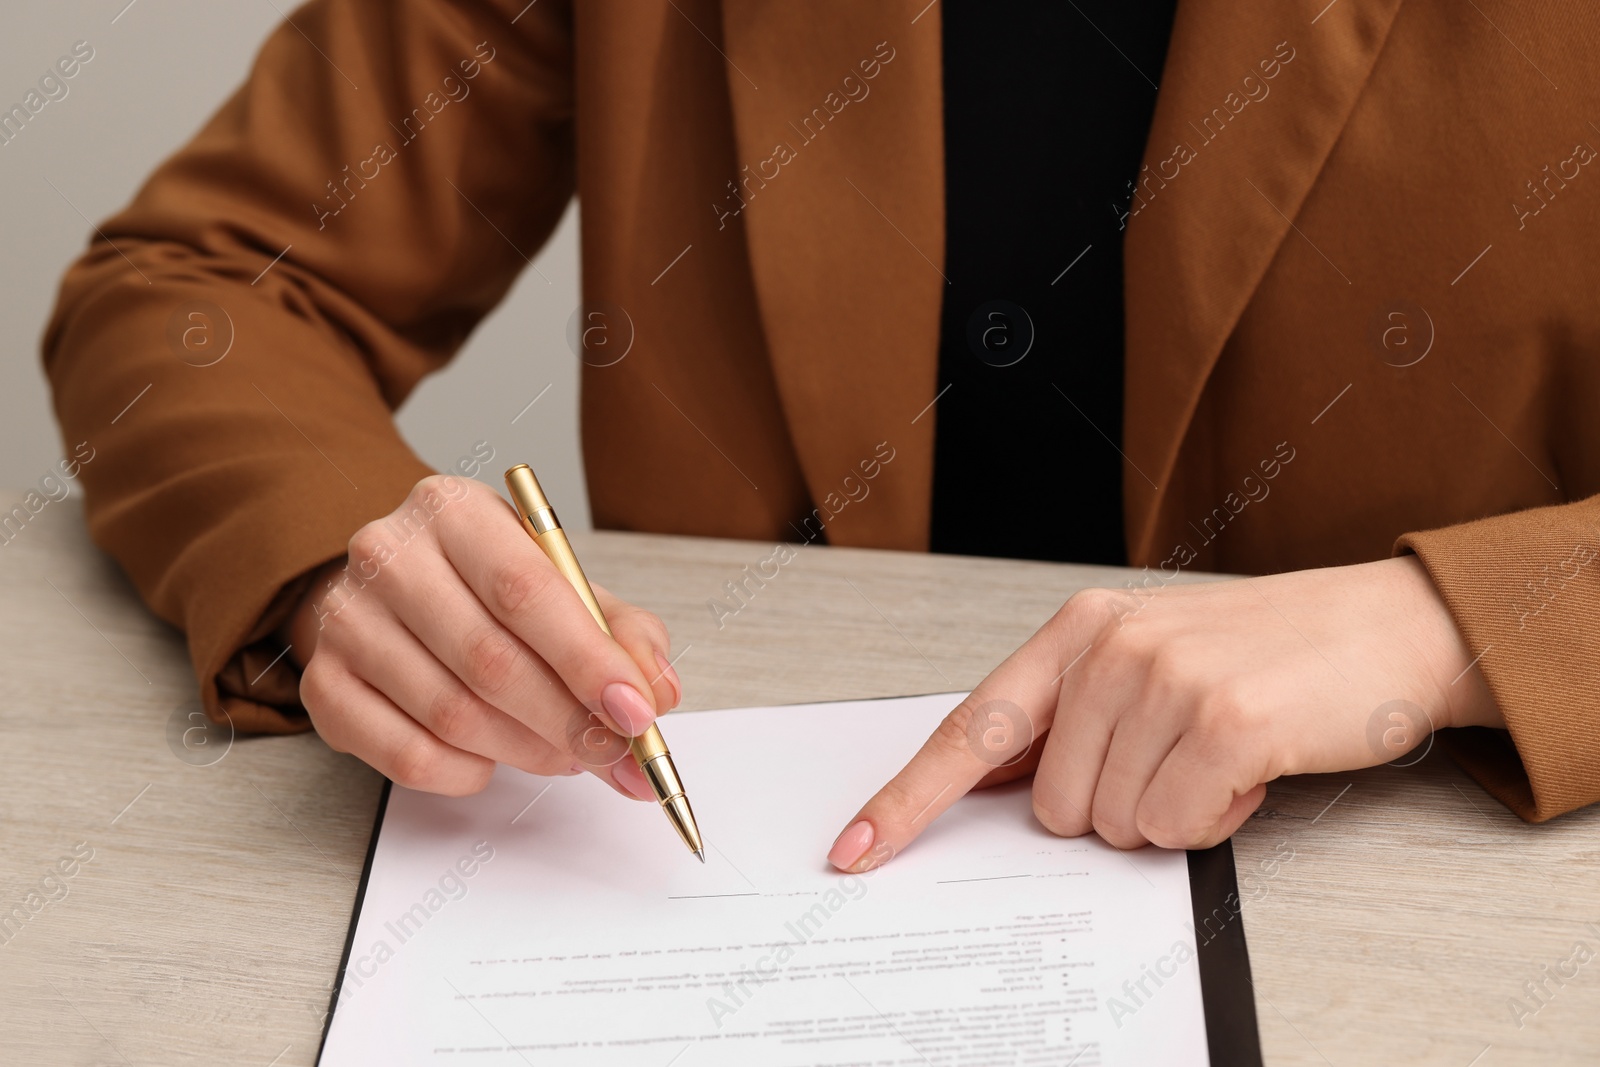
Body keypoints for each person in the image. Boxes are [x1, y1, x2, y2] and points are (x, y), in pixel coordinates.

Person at [42, 1, 1600, 872]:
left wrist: (1457, 627)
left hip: (1391, 893)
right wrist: (338, 560)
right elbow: (193, 288)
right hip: (748, 879)